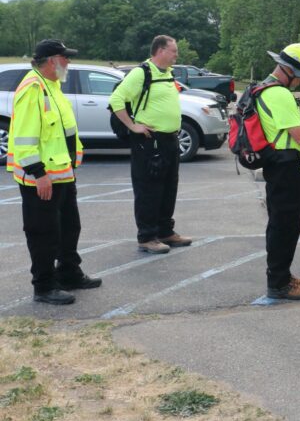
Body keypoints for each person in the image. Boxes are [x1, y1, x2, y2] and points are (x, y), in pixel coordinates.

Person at [8, 40, 101, 304]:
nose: (68, 62)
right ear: (51, 61)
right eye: (65, 58)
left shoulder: (53, 86)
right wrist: (38, 174)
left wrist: (72, 162)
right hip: (42, 177)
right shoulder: (33, 89)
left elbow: (65, 132)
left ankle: (69, 273)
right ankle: (44, 286)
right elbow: (24, 138)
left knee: (70, 227)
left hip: (62, 173)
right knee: (43, 233)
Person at [109, 35, 192, 255]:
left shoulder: (167, 74)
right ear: (160, 50)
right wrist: (132, 125)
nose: (177, 55)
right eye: (174, 51)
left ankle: (165, 231)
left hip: (170, 140)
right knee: (149, 189)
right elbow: (116, 100)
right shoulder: (141, 73)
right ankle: (147, 236)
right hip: (149, 142)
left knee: (168, 187)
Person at [257, 43, 300, 300]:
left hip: (279, 164)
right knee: (285, 224)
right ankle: (279, 283)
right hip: (286, 165)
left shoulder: (268, 89)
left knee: (284, 223)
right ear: (288, 71)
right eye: (299, 78)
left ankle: (282, 274)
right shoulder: (278, 94)